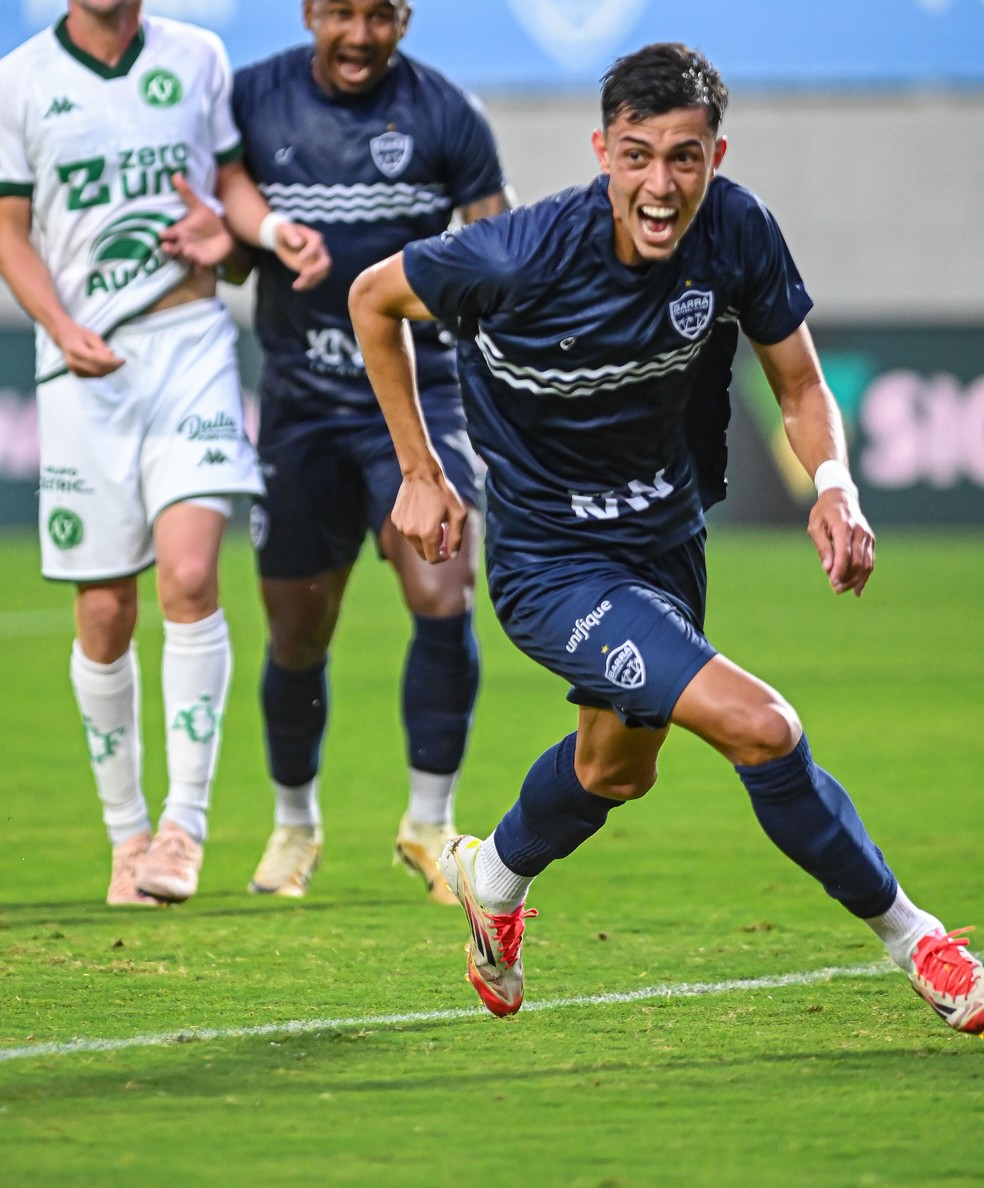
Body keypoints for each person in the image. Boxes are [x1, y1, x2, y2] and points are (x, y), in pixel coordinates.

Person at [348, 41, 984, 1032]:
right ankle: (922, 940)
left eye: (684, 157)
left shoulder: (735, 231)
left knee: (616, 770)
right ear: (603, 149)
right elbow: (371, 298)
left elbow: (803, 383)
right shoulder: (516, 254)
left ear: (715, 158)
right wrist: (421, 473)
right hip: (550, 564)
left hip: (663, 542)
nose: (661, 183)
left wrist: (836, 486)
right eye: (638, 155)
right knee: (761, 727)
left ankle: (493, 877)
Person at [0, 0, 329, 906]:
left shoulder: (197, 56)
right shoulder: (20, 78)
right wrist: (61, 326)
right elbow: (7, 231)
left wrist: (263, 233)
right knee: (105, 612)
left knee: (189, 575)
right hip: (83, 365)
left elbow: (230, 188)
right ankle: (126, 836)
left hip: (187, 342)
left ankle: (184, 826)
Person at [229, 0, 511, 901]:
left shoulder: (447, 115)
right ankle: (293, 825)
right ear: (311, 12)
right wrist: (253, 241)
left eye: (379, 16)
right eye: (341, 13)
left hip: (420, 400)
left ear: (406, 19)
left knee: (442, 587)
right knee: (298, 631)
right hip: (301, 401)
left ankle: (429, 823)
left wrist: (439, 298)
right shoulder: (252, 100)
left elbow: (497, 252)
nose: (359, 35)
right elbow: (226, 241)